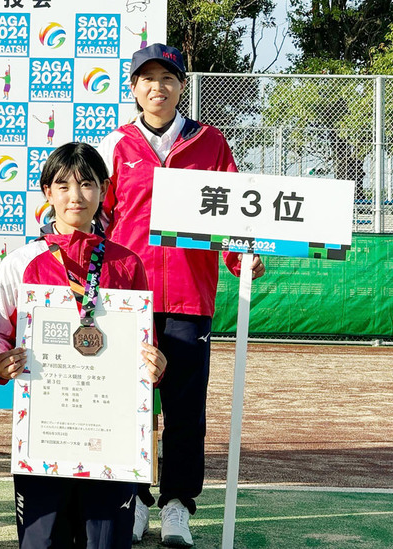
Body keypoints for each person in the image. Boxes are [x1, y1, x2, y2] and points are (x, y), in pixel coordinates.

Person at [96, 43, 265, 547]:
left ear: (182, 85)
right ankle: (131, 501)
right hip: (128, 299)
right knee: (129, 404)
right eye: (146, 79)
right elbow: (99, 220)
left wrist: (243, 259)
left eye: (167, 78)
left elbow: (234, 214)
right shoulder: (115, 146)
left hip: (191, 297)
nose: (157, 88)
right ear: (132, 88)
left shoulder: (210, 143)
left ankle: (176, 506)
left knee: (186, 411)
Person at [0, 142, 167, 549]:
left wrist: (155, 365)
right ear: (47, 192)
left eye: (86, 184)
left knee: (105, 543)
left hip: (111, 438)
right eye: (63, 185)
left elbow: (144, 348)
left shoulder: (126, 263)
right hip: (43, 436)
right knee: (42, 543)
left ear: (103, 190)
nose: (75, 196)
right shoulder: (21, 262)